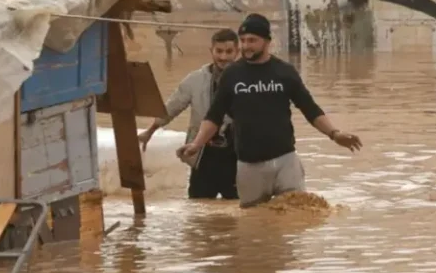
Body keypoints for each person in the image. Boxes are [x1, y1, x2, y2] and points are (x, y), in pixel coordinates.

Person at [177, 13, 362, 208]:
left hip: (285, 160)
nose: (246, 46)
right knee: (254, 225)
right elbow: (214, 117)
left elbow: (310, 109)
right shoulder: (232, 75)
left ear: (267, 41)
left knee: (296, 216)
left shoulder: (284, 72)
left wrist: (334, 134)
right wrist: (196, 145)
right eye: (243, 40)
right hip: (249, 166)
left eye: (252, 40)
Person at [138, 28, 240, 200]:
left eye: (229, 51)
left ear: (237, 52)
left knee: (240, 211)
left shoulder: (247, 80)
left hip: (237, 155)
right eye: (219, 51)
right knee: (198, 210)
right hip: (202, 155)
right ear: (211, 51)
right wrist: (150, 131)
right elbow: (171, 108)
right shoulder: (195, 80)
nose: (223, 57)